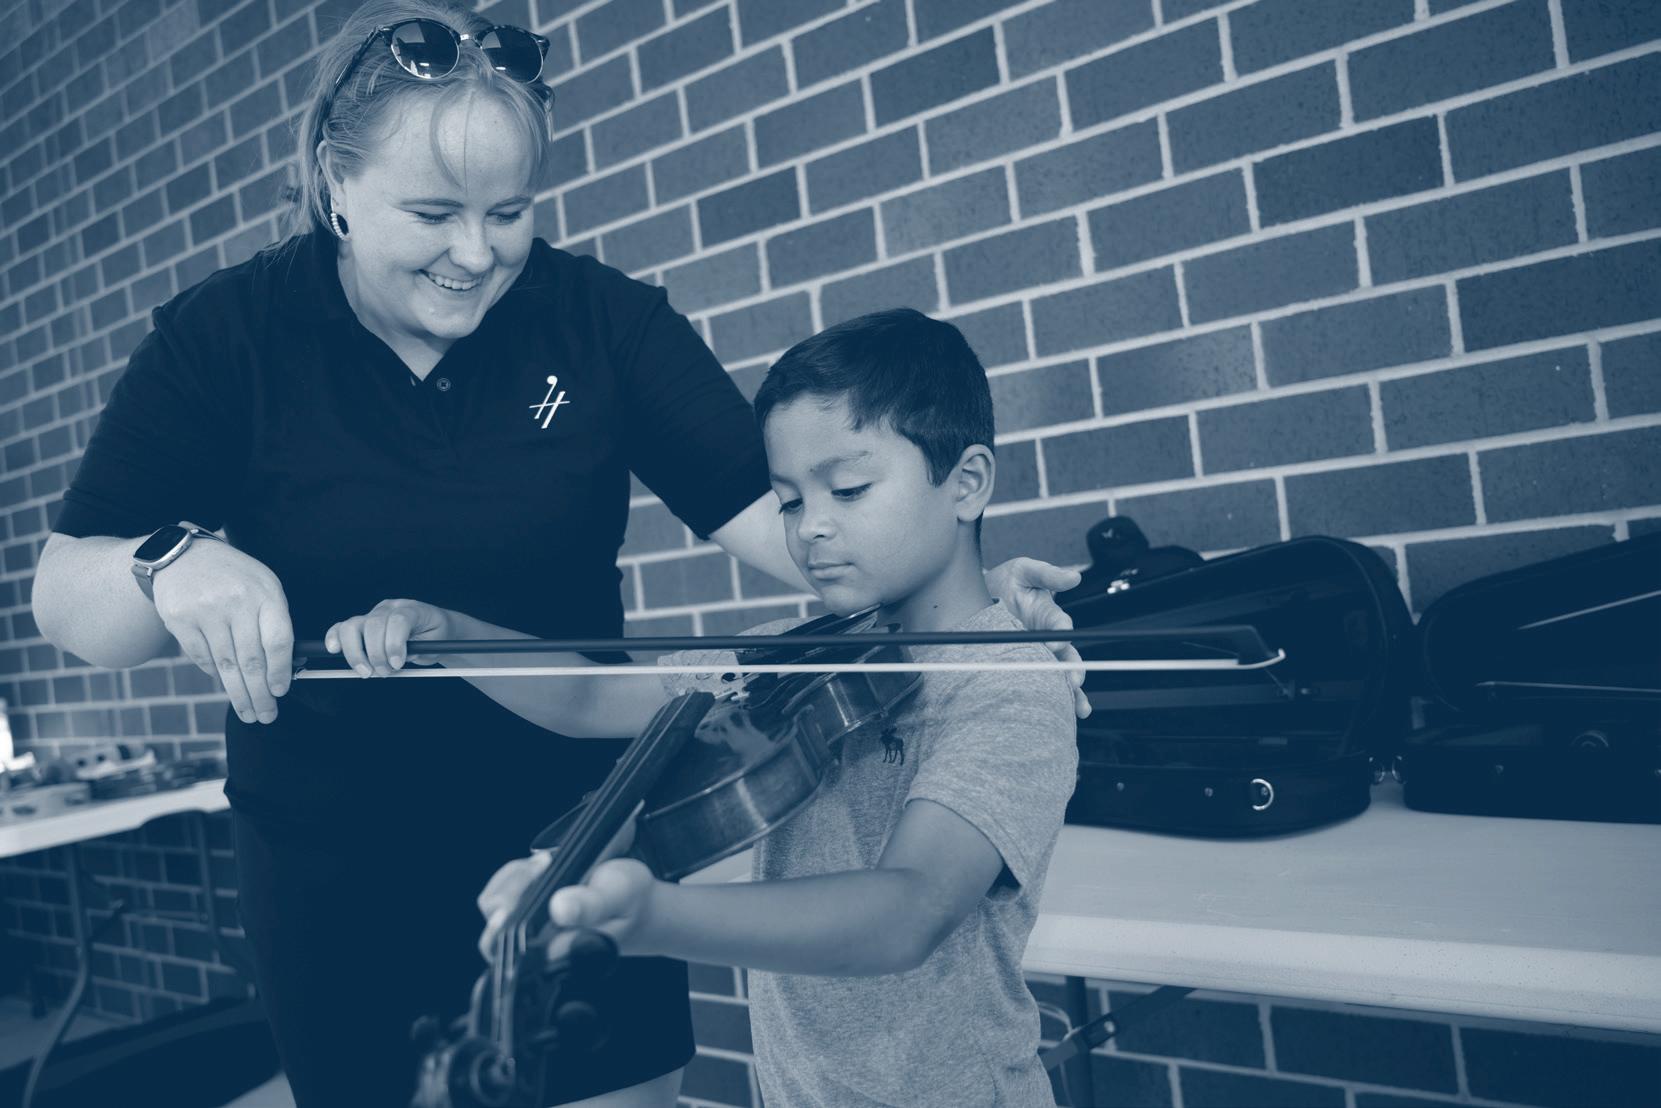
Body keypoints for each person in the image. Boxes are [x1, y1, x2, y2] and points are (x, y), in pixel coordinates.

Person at [27, 2, 1085, 1104]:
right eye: (432, 213)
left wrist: (963, 588)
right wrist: (167, 560)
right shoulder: (225, 337)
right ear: (335, 184)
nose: (476, 253)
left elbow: (801, 522)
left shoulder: (601, 322)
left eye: (509, 211)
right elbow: (66, 596)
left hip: (587, 842)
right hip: (335, 872)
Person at [332, 309, 1077, 1106]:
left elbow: (910, 909)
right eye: (788, 501)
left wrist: (656, 917)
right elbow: (589, 695)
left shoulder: (1006, 680)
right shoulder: (787, 656)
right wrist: (450, 633)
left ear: (966, 482)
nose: (811, 528)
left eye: (848, 489)